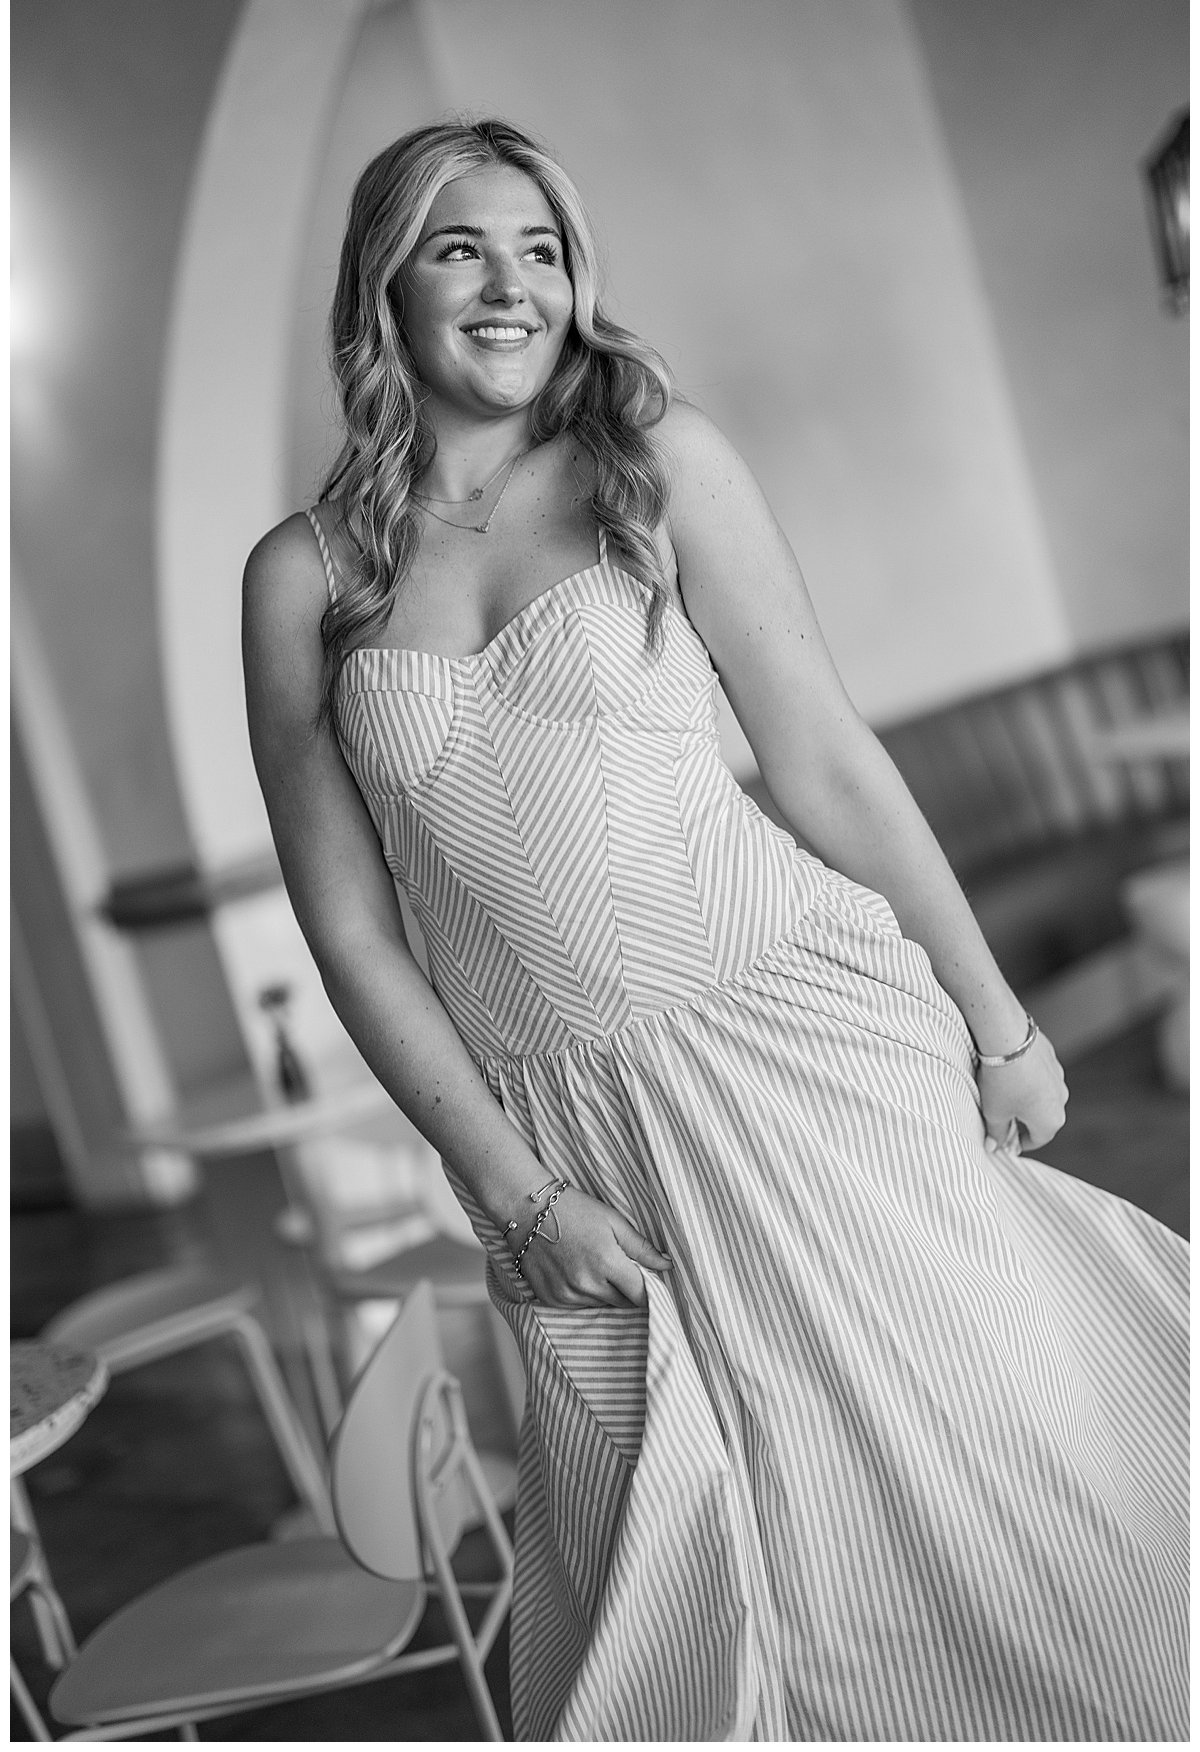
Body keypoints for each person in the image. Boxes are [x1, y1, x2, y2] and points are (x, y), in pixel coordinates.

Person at [242, 118, 1187, 1741]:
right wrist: (519, 1193)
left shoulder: (651, 459)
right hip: (563, 1139)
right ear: (385, 283)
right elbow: (353, 937)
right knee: (680, 1556)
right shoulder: (300, 578)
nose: (511, 285)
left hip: (803, 1039)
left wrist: (1000, 1019)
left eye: (541, 250)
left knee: (979, 1456)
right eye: (462, 247)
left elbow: (824, 758)